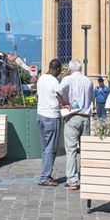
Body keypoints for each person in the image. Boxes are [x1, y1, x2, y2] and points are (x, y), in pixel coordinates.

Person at [58, 59, 95, 191]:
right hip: (86, 117)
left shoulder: (68, 79)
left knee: (71, 150)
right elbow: (91, 99)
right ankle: (86, 177)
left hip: (73, 116)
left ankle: (73, 181)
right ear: (81, 69)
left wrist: (63, 103)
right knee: (85, 149)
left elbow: (58, 91)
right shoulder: (88, 81)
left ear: (70, 69)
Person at [35, 59, 64, 186]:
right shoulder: (54, 81)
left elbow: (38, 96)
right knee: (50, 149)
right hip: (51, 117)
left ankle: (46, 174)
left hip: (40, 115)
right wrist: (65, 103)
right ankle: (45, 177)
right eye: (60, 70)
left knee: (45, 148)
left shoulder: (41, 79)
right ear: (57, 69)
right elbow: (60, 96)